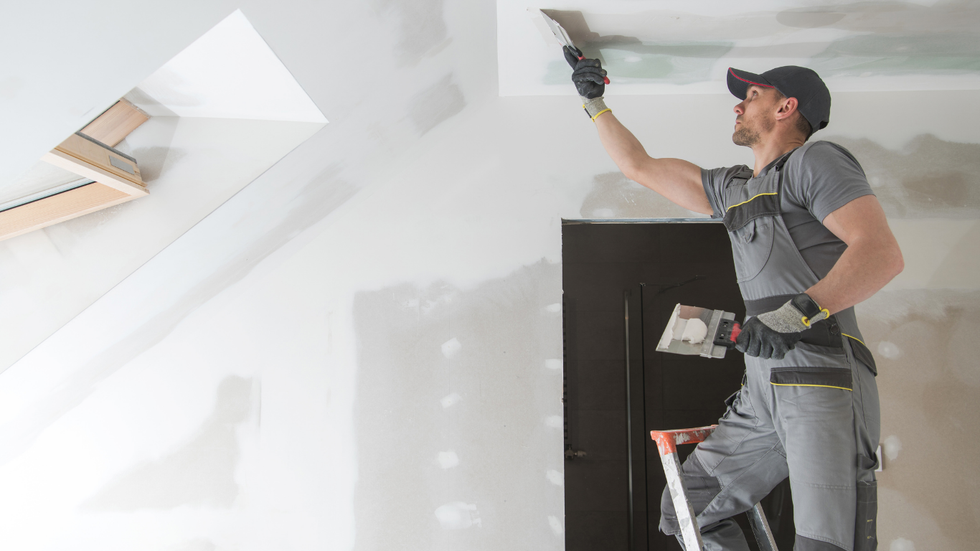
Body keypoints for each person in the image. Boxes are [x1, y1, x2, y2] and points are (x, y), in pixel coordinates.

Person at [565, 46, 904, 551]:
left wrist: (795, 315)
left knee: (826, 542)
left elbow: (880, 254)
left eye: (750, 95)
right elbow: (639, 166)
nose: (738, 106)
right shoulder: (735, 188)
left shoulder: (815, 162)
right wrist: (595, 102)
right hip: (763, 388)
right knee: (689, 507)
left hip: (821, 376)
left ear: (786, 108)